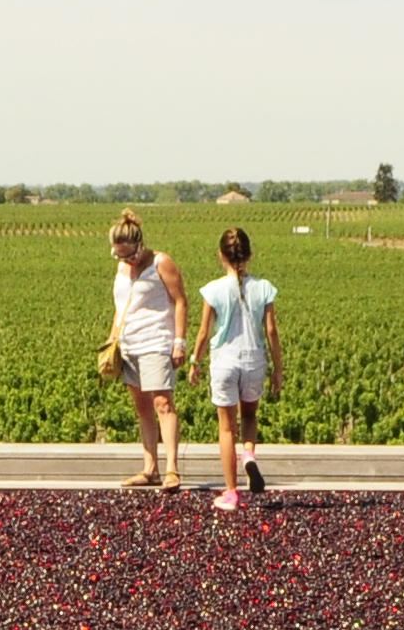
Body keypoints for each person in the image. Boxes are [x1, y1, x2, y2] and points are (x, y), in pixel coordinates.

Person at [191, 224, 283, 508]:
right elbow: (271, 331)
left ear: (221, 255)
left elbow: (205, 332)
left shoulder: (213, 290)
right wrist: (278, 368)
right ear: (250, 254)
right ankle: (250, 455)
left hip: (224, 361)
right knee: (250, 416)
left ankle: (231, 492)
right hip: (254, 359)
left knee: (226, 427)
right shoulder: (264, 288)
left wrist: (195, 361)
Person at [96, 210, 188, 490]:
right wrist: (112, 340)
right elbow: (120, 308)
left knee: (163, 403)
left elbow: (181, 301)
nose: (126, 260)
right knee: (142, 408)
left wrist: (179, 342)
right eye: (119, 256)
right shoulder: (122, 269)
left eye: (129, 254)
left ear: (140, 244)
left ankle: (172, 469)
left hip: (157, 341)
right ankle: (150, 468)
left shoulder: (162, 263)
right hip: (129, 343)